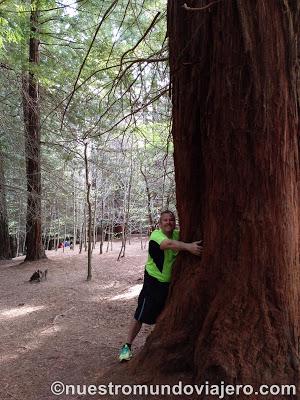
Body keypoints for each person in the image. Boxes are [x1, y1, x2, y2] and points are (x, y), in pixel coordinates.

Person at [119, 210, 203, 361]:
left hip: (170, 284)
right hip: (153, 282)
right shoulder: (156, 235)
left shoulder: (178, 235)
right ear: (160, 223)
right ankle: (126, 346)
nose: (169, 222)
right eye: (165, 220)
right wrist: (189, 247)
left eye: (171, 220)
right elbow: (168, 244)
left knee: (164, 314)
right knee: (141, 313)